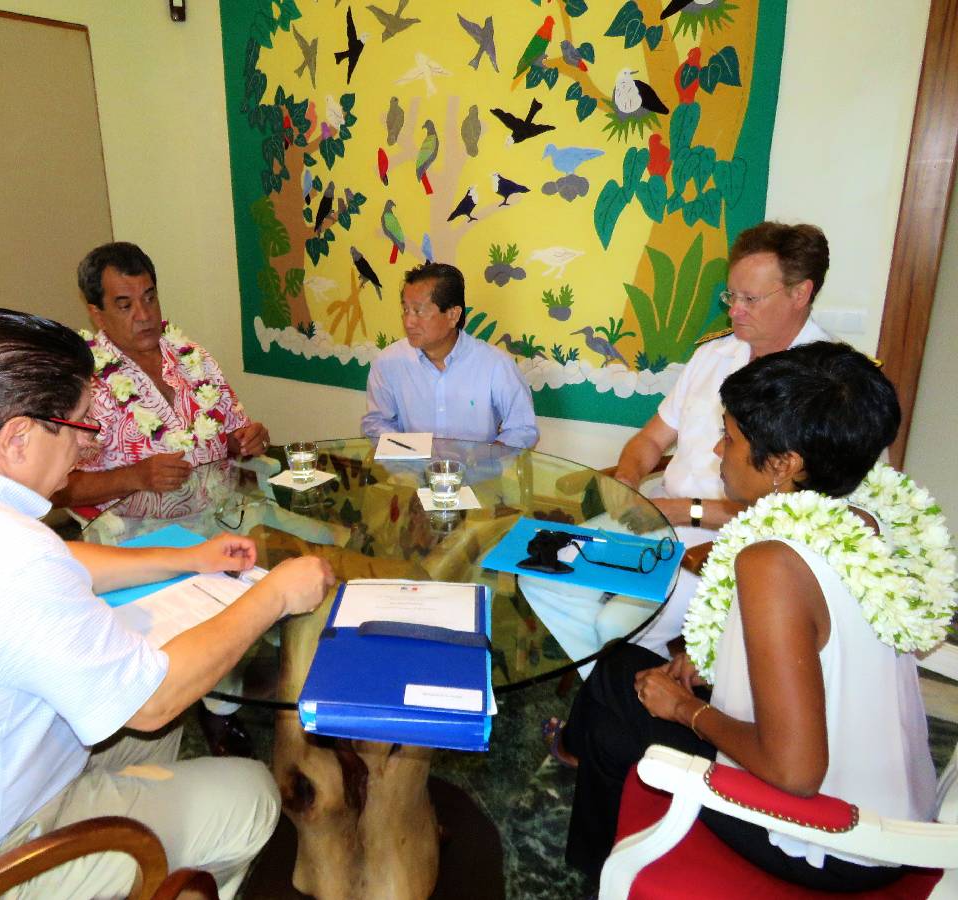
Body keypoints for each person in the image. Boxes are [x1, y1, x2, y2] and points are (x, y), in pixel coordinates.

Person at [0, 309, 334, 900]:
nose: (90, 444)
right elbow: (153, 701)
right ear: (17, 437)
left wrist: (187, 559)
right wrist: (275, 593)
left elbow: (61, 563)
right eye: (80, 425)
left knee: (144, 735)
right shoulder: (6, 556)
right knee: (252, 793)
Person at [559, 342, 950, 892]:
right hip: (898, 810)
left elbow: (795, 771)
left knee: (614, 690)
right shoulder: (858, 515)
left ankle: (603, 874)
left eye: (733, 437)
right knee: (622, 674)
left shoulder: (771, 561)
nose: (719, 447)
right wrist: (709, 659)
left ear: (785, 465)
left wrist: (686, 711)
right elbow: (825, 653)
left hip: (828, 838)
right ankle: (603, 853)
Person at [528, 222, 834, 676]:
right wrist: (629, 481)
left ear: (800, 293)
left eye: (751, 299)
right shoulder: (715, 356)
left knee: (617, 624)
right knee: (542, 575)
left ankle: (617, 703)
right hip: (658, 514)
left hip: (731, 542)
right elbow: (651, 439)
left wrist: (683, 511)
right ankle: (610, 695)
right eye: (731, 297)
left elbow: (808, 515)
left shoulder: (827, 382)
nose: (736, 312)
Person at [52, 241, 270, 520]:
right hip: (140, 541)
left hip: (223, 519)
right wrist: (134, 477)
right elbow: (54, 489)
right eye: (125, 305)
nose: (144, 315)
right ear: (97, 315)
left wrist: (249, 440)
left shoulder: (195, 359)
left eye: (149, 298)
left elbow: (232, 438)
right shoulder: (82, 385)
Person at [361, 262, 539, 449]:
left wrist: (483, 458)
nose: (409, 322)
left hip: (476, 476)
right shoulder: (388, 362)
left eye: (418, 311)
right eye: (405, 310)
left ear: (453, 315)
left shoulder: (495, 364)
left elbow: (523, 430)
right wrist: (415, 452)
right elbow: (375, 424)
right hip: (412, 475)